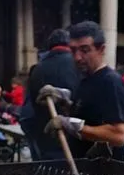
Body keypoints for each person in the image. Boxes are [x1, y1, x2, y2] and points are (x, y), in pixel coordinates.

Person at [43, 21, 124, 160]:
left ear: (101, 49)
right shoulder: (85, 78)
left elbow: (118, 136)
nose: (77, 57)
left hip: (105, 172)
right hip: (84, 164)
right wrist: (64, 100)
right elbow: (89, 114)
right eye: (73, 50)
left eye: (85, 50)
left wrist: (72, 126)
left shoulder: (111, 82)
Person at [24, 29, 81, 160]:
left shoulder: (37, 69)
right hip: (75, 138)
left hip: (46, 136)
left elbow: (33, 103)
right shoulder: (78, 65)